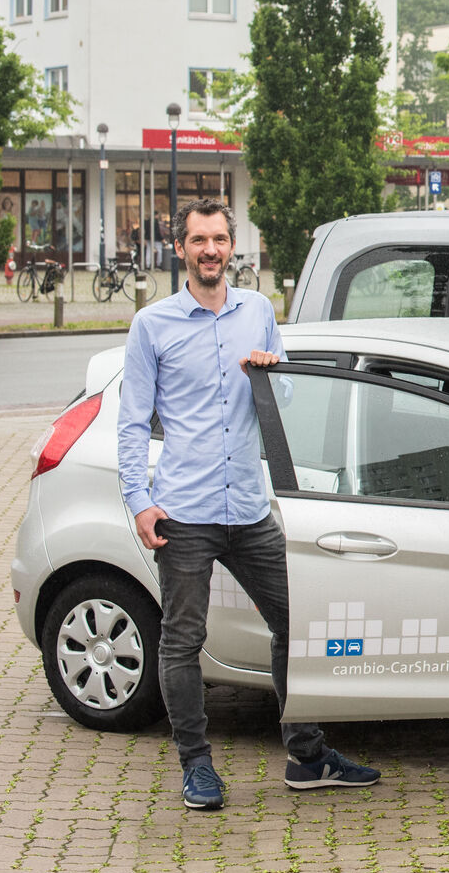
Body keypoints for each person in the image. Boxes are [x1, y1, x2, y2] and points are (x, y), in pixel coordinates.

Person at [117, 198, 381, 810]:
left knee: (296, 622)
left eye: (219, 240)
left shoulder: (258, 311)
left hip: (249, 506)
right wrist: (139, 501)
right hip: (184, 510)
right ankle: (196, 766)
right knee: (182, 640)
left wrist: (272, 369)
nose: (210, 250)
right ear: (179, 249)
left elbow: (283, 393)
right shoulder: (152, 326)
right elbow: (133, 425)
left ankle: (308, 755)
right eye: (198, 240)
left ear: (233, 248)